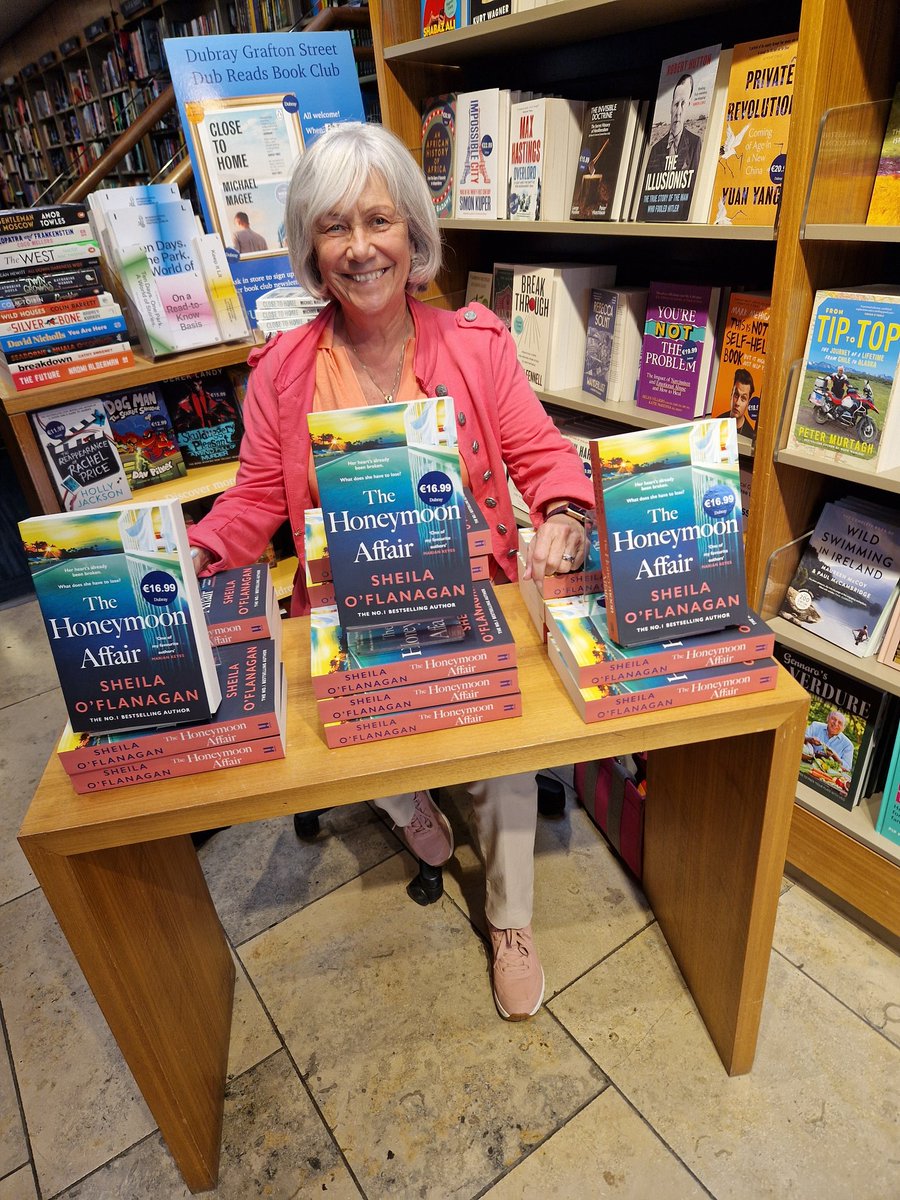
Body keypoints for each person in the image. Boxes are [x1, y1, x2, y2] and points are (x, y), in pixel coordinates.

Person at [188, 122, 594, 1022]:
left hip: (469, 601)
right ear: (309, 248)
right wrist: (200, 551)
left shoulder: (477, 345)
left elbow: (539, 456)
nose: (360, 247)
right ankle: (407, 805)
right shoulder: (282, 373)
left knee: (505, 762)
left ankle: (512, 916)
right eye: (334, 227)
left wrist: (563, 514)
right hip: (348, 610)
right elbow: (256, 497)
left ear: (412, 233)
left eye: (379, 221)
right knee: (347, 729)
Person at [644, 73, 702, 177]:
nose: (678, 111)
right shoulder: (655, 149)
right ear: (671, 107)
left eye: (683, 104)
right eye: (676, 104)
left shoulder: (695, 143)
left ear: (688, 104)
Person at [729, 367, 755, 437]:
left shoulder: (750, 435)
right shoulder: (717, 421)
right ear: (731, 393)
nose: (737, 403)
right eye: (736, 395)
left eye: (743, 398)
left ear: (748, 403)